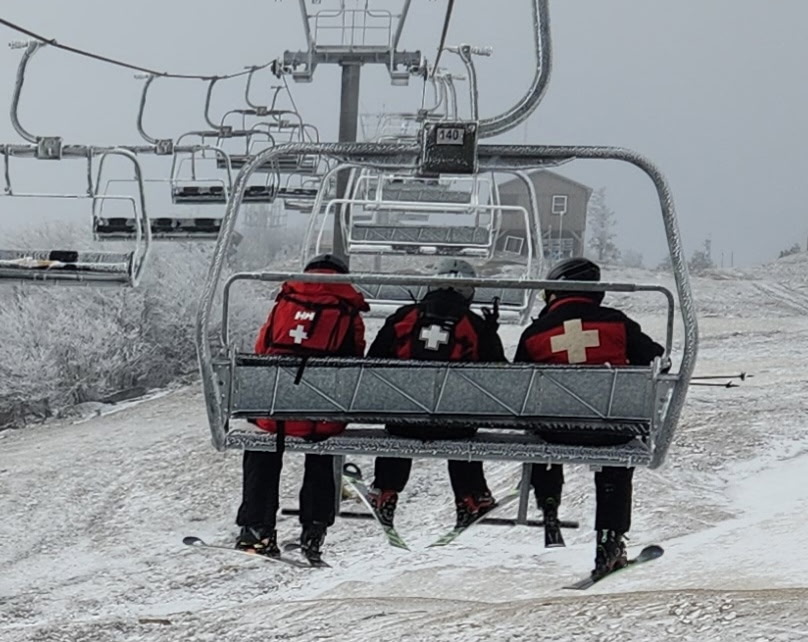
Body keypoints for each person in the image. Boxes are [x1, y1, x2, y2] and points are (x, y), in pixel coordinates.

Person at [514, 257, 664, 578]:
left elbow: (517, 382)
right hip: (611, 429)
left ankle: (549, 506)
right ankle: (609, 544)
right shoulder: (617, 323)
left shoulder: (536, 333)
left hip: (555, 430)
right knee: (616, 464)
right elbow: (655, 358)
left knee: (541, 437)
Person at [235, 254, 369, 562]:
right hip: (320, 418)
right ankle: (314, 528)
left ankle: (256, 529)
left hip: (276, 411)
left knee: (262, 446)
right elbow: (353, 363)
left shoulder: (285, 302)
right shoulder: (347, 310)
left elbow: (261, 349)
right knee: (324, 448)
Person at [366, 258, 507, 529]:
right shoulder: (476, 325)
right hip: (454, 425)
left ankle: (385, 491)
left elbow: (373, 362)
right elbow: (500, 377)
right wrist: (491, 335)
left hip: (403, 423)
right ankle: (471, 496)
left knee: (400, 411)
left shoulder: (404, 317)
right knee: (463, 416)